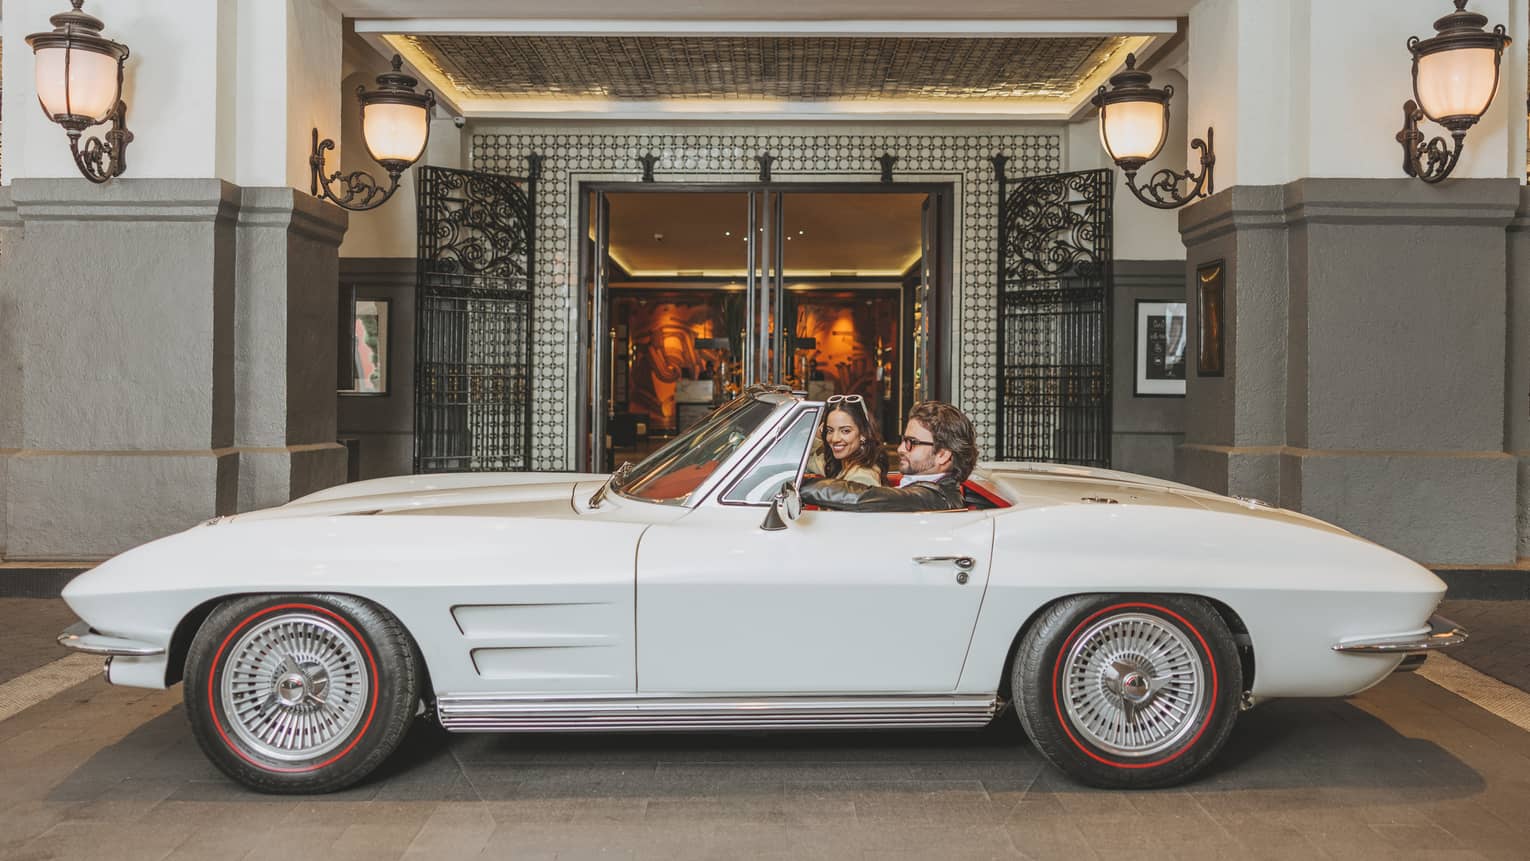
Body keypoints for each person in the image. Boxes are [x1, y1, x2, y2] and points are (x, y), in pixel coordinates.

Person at [802, 400, 977, 512]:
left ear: (942, 455)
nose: (901, 449)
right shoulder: (926, 490)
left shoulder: (933, 498)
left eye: (912, 443)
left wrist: (794, 486)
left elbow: (861, 497)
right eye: (903, 440)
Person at [805, 394, 888, 487]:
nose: (835, 438)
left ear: (863, 434)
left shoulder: (862, 478)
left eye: (845, 431)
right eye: (830, 430)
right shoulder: (838, 466)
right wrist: (817, 435)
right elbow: (803, 461)